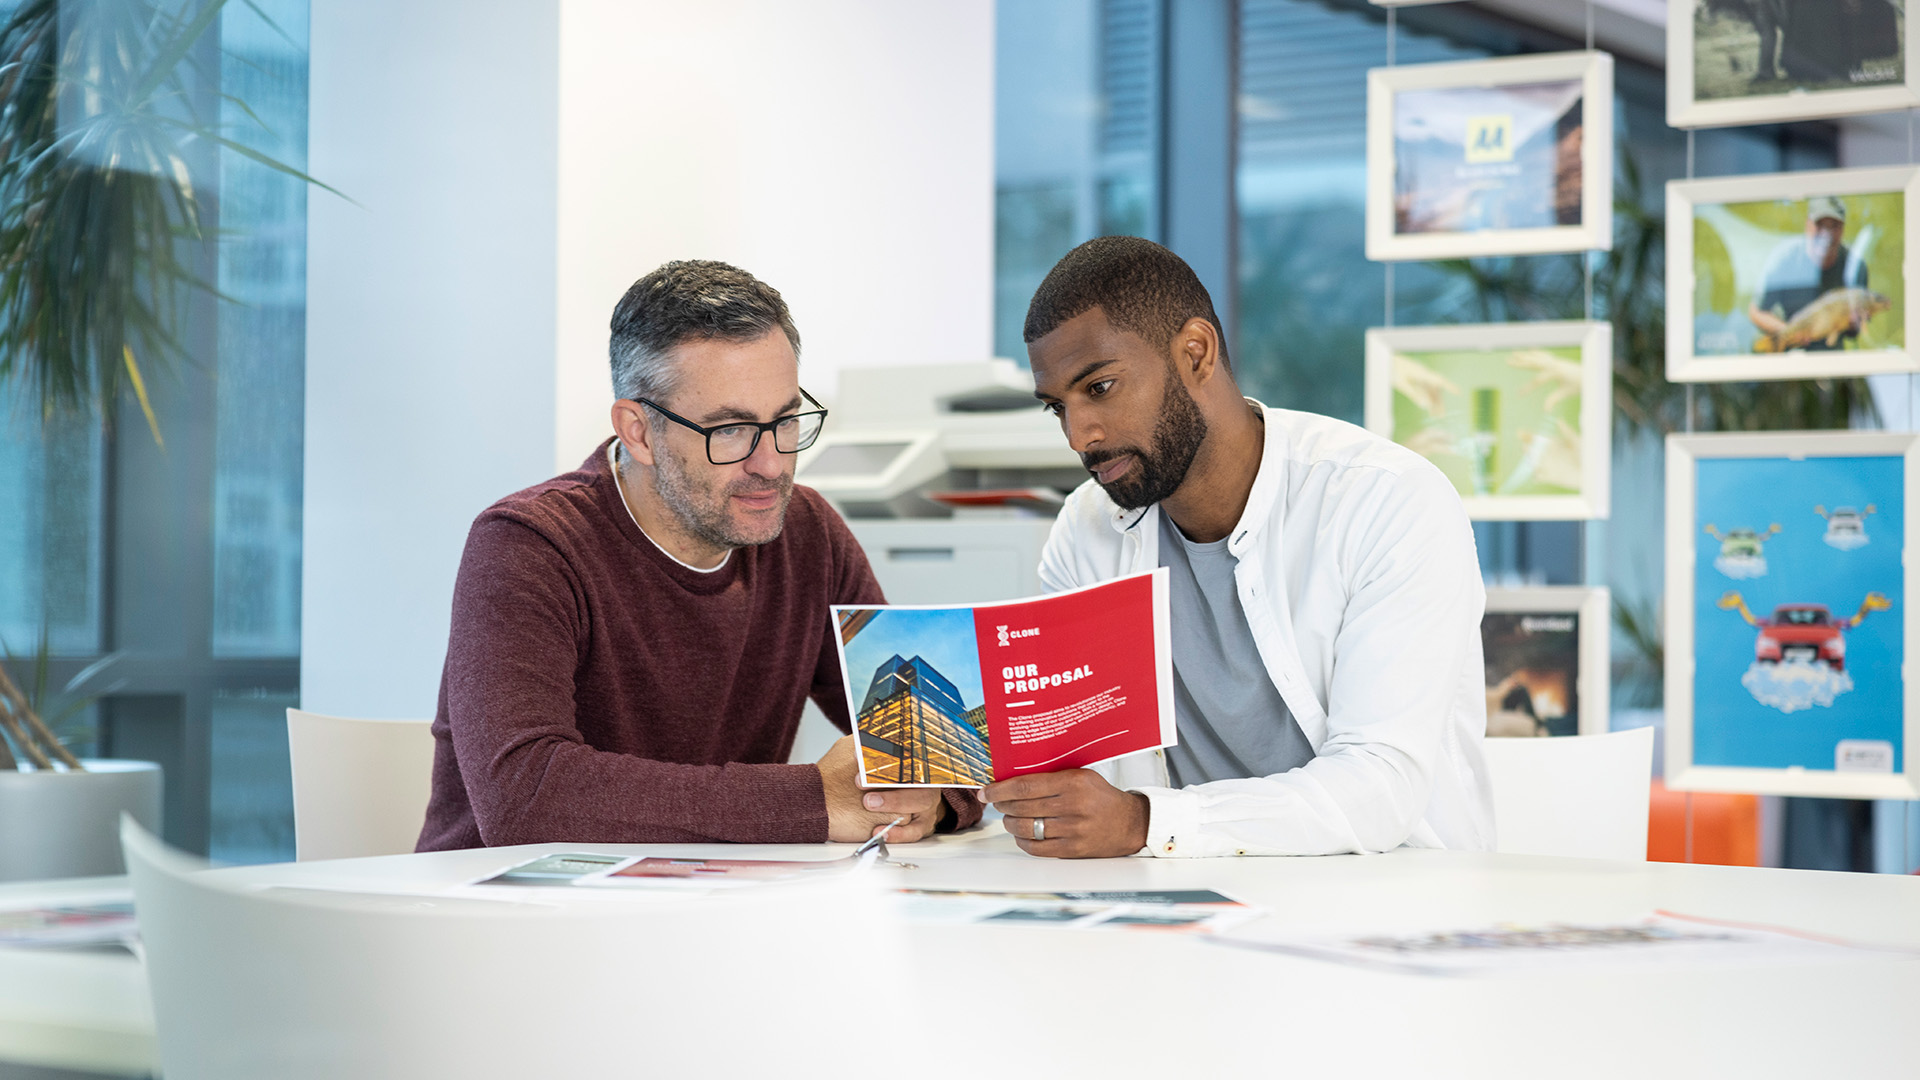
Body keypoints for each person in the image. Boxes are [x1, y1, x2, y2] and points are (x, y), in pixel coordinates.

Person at [418, 260, 977, 851]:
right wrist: (814, 800)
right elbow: (525, 799)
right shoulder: (528, 545)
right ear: (638, 432)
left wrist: (931, 804)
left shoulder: (808, 533)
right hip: (503, 916)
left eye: (786, 420)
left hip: (710, 911)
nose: (771, 464)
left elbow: (931, 743)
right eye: (730, 429)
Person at [982, 236, 1494, 858]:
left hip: (1385, 904)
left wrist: (1146, 823)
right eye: (1056, 407)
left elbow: (1379, 786)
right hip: (1182, 903)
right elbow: (1071, 755)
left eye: (1101, 388)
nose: (1079, 436)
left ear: (1196, 353)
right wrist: (952, 792)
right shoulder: (1085, 530)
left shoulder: (1387, 502)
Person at [1747, 196, 1867, 351]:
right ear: (1807, 225)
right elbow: (1756, 311)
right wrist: (1788, 332)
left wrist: (1853, 324)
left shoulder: (1855, 266)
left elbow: (1854, 333)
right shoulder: (1784, 259)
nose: (1826, 234)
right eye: (1820, 225)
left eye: (1834, 226)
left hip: (1832, 358)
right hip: (1789, 356)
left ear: (1843, 228)